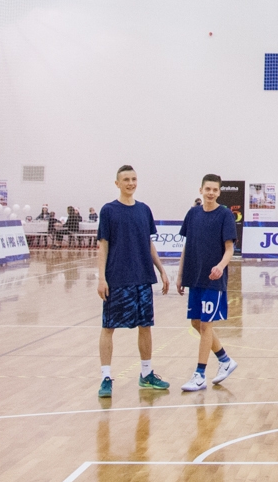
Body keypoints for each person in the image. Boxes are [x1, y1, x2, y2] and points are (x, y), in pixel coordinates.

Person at [96, 165, 172, 398]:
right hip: (117, 279)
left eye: (134, 179)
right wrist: (102, 278)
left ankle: (146, 374)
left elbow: (148, 243)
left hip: (142, 278)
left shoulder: (144, 210)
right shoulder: (108, 210)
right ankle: (105, 378)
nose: (131, 183)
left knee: (145, 326)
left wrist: (161, 270)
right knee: (108, 327)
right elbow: (103, 245)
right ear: (117, 183)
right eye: (126, 179)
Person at [176, 175, 238, 392]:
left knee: (205, 325)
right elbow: (187, 246)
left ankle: (200, 375)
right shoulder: (193, 214)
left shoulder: (225, 215)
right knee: (196, 323)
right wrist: (180, 275)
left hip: (214, 279)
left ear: (219, 192)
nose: (211, 193)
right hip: (195, 277)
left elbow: (229, 249)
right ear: (201, 190)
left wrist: (220, 266)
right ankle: (225, 360)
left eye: (215, 190)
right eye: (208, 189)